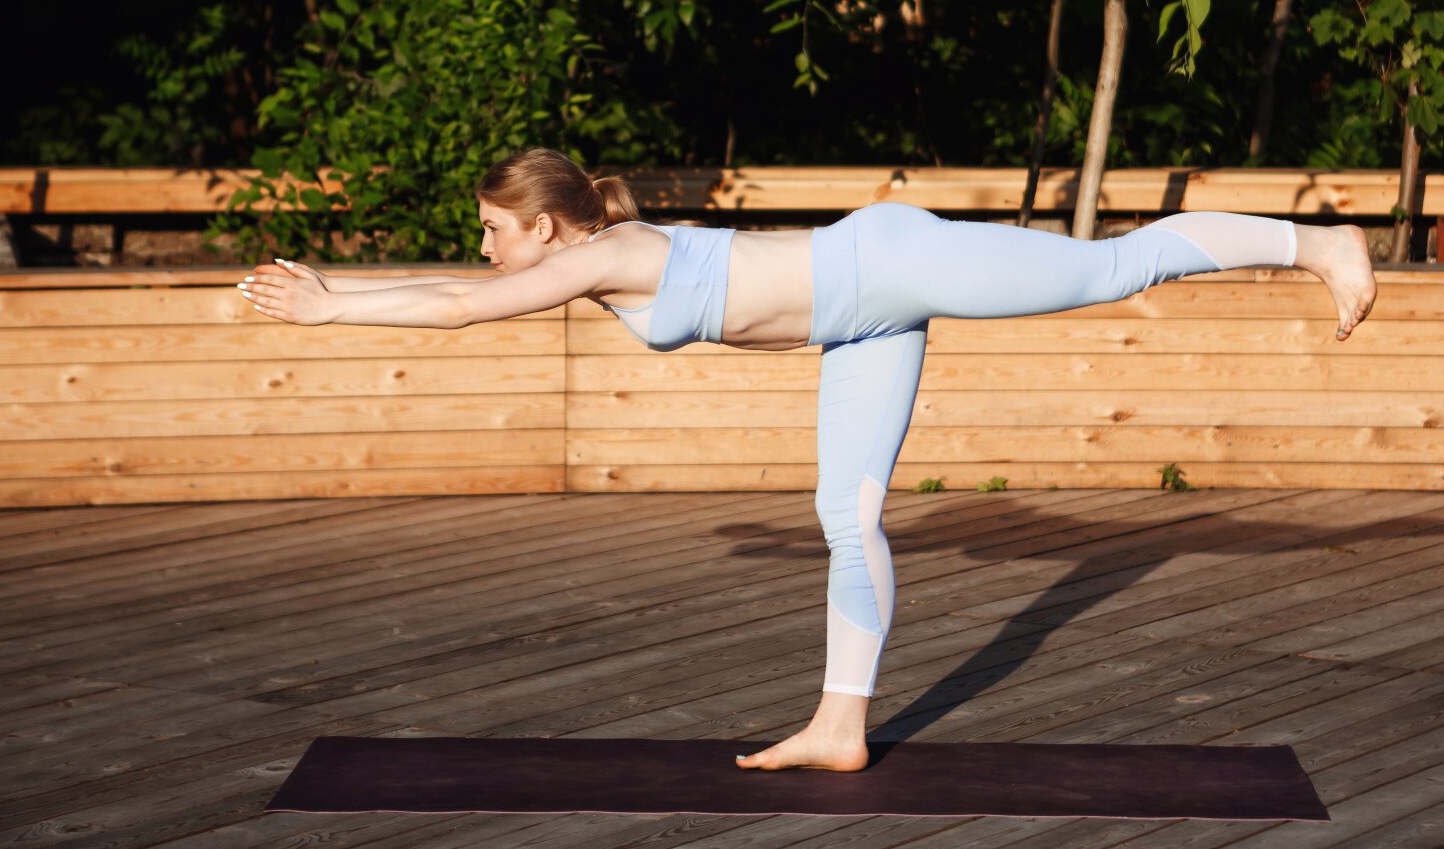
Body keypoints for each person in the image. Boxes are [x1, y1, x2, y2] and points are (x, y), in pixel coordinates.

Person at [238, 147, 1377, 772]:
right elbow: (466, 286)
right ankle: (841, 723)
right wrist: (338, 296)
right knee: (845, 511)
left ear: (543, 225)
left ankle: (1314, 240)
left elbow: (465, 305)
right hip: (858, 318)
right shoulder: (599, 250)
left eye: (495, 223)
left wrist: (328, 308)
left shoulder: (603, 252)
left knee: (1112, 266)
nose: (486, 239)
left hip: (886, 262)